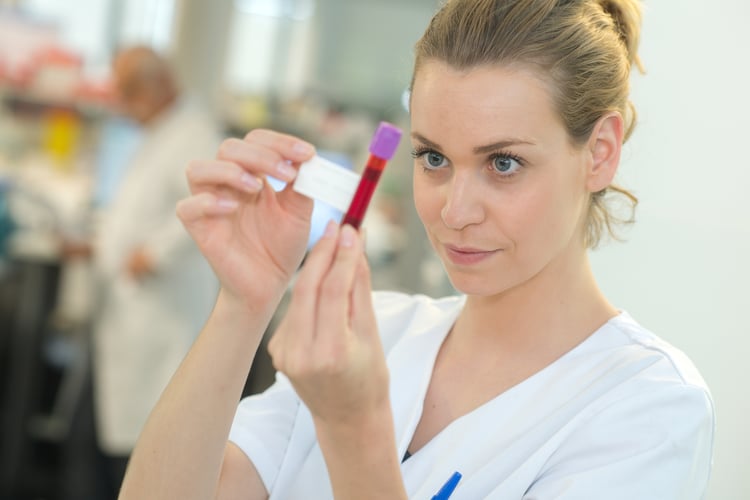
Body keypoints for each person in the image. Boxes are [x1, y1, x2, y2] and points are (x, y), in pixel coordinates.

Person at [119, 1, 715, 498]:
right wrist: (243, 302)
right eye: (434, 158)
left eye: (503, 163)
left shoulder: (648, 407)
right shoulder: (376, 333)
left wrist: (355, 430)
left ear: (601, 152)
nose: (454, 212)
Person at [85, 45, 219, 495]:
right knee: (122, 440)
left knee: (148, 445)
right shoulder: (160, 133)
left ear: (152, 88)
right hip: (134, 313)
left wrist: (152, 256)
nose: (121, 104)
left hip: (161, 315)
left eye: (126, 93)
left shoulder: (193, 133)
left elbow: (208, 207)